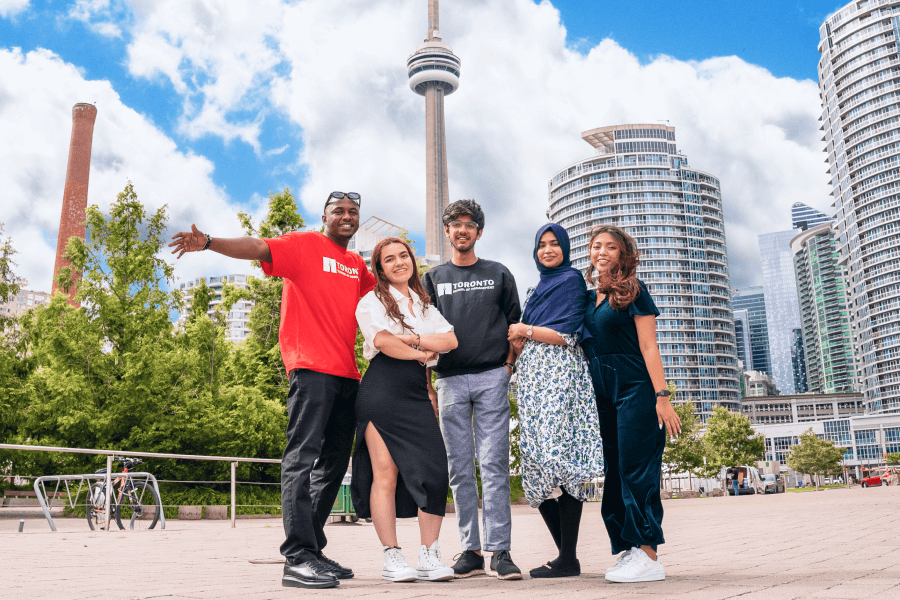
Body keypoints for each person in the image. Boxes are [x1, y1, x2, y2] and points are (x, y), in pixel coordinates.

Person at [168, 192, 375, 589]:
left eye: (352, 212)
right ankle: (296, 557)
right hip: (310, 367)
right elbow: (259, 247)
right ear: (325, 217)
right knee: (302, 459)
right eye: (338, 211)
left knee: (334, 463)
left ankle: (312, 549)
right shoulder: (304, 244)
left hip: (348, 373)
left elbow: (382, 297)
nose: (346, 217)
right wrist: (209, 241)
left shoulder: (355, 265)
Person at [421, 200, 523, 580]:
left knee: (494, 463)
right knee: (459, 468)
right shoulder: (432, 278)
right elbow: (424, 335)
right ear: (446, 232)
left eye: (469, 225)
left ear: (479, 232)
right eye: (455, 225)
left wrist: (508, 368)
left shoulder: (498, 273)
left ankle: (500, 551)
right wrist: (429, 386)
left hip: (491, 376)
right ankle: (470, 550)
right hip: (448, 381)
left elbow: (516, 327)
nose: (462, 230)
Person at [351, 237, 458, 583]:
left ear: (412, 260)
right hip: (381, 390)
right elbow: (381, 341)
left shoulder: (423, 304)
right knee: (386, 474)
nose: (399, 263)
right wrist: (422, 351)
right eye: (389, 259)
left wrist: (412, 341)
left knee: (435, 470)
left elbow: (451, 340)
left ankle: (429, 554)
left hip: (416, 392)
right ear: (379, 268)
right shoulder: (371, 300)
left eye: (403, 256)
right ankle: (392, 556)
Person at [581, 225, 681, 584]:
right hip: (602, 394)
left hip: (635, 389)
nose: (602, 252)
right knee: (616, 472)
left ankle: (650, 554)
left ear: (623, 255)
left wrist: (662, 396)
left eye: (610, 247)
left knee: (637, 470)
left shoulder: (634, 291)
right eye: (596, 246)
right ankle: (630, 549)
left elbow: (649, 346)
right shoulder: (588, 296)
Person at [507, 223, 604, 579]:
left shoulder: (571, 281)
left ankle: (568, 556)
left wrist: (525, 331)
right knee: (535, 463)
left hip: (559, 376)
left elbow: (568, 336)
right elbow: (519, 338)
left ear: (565, 248)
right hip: (533, 379)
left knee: (558, 460)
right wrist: (514, 355)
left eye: (554, 244)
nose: (547, 250)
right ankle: (567, 557)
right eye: (541, 245)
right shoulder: (538, 287)